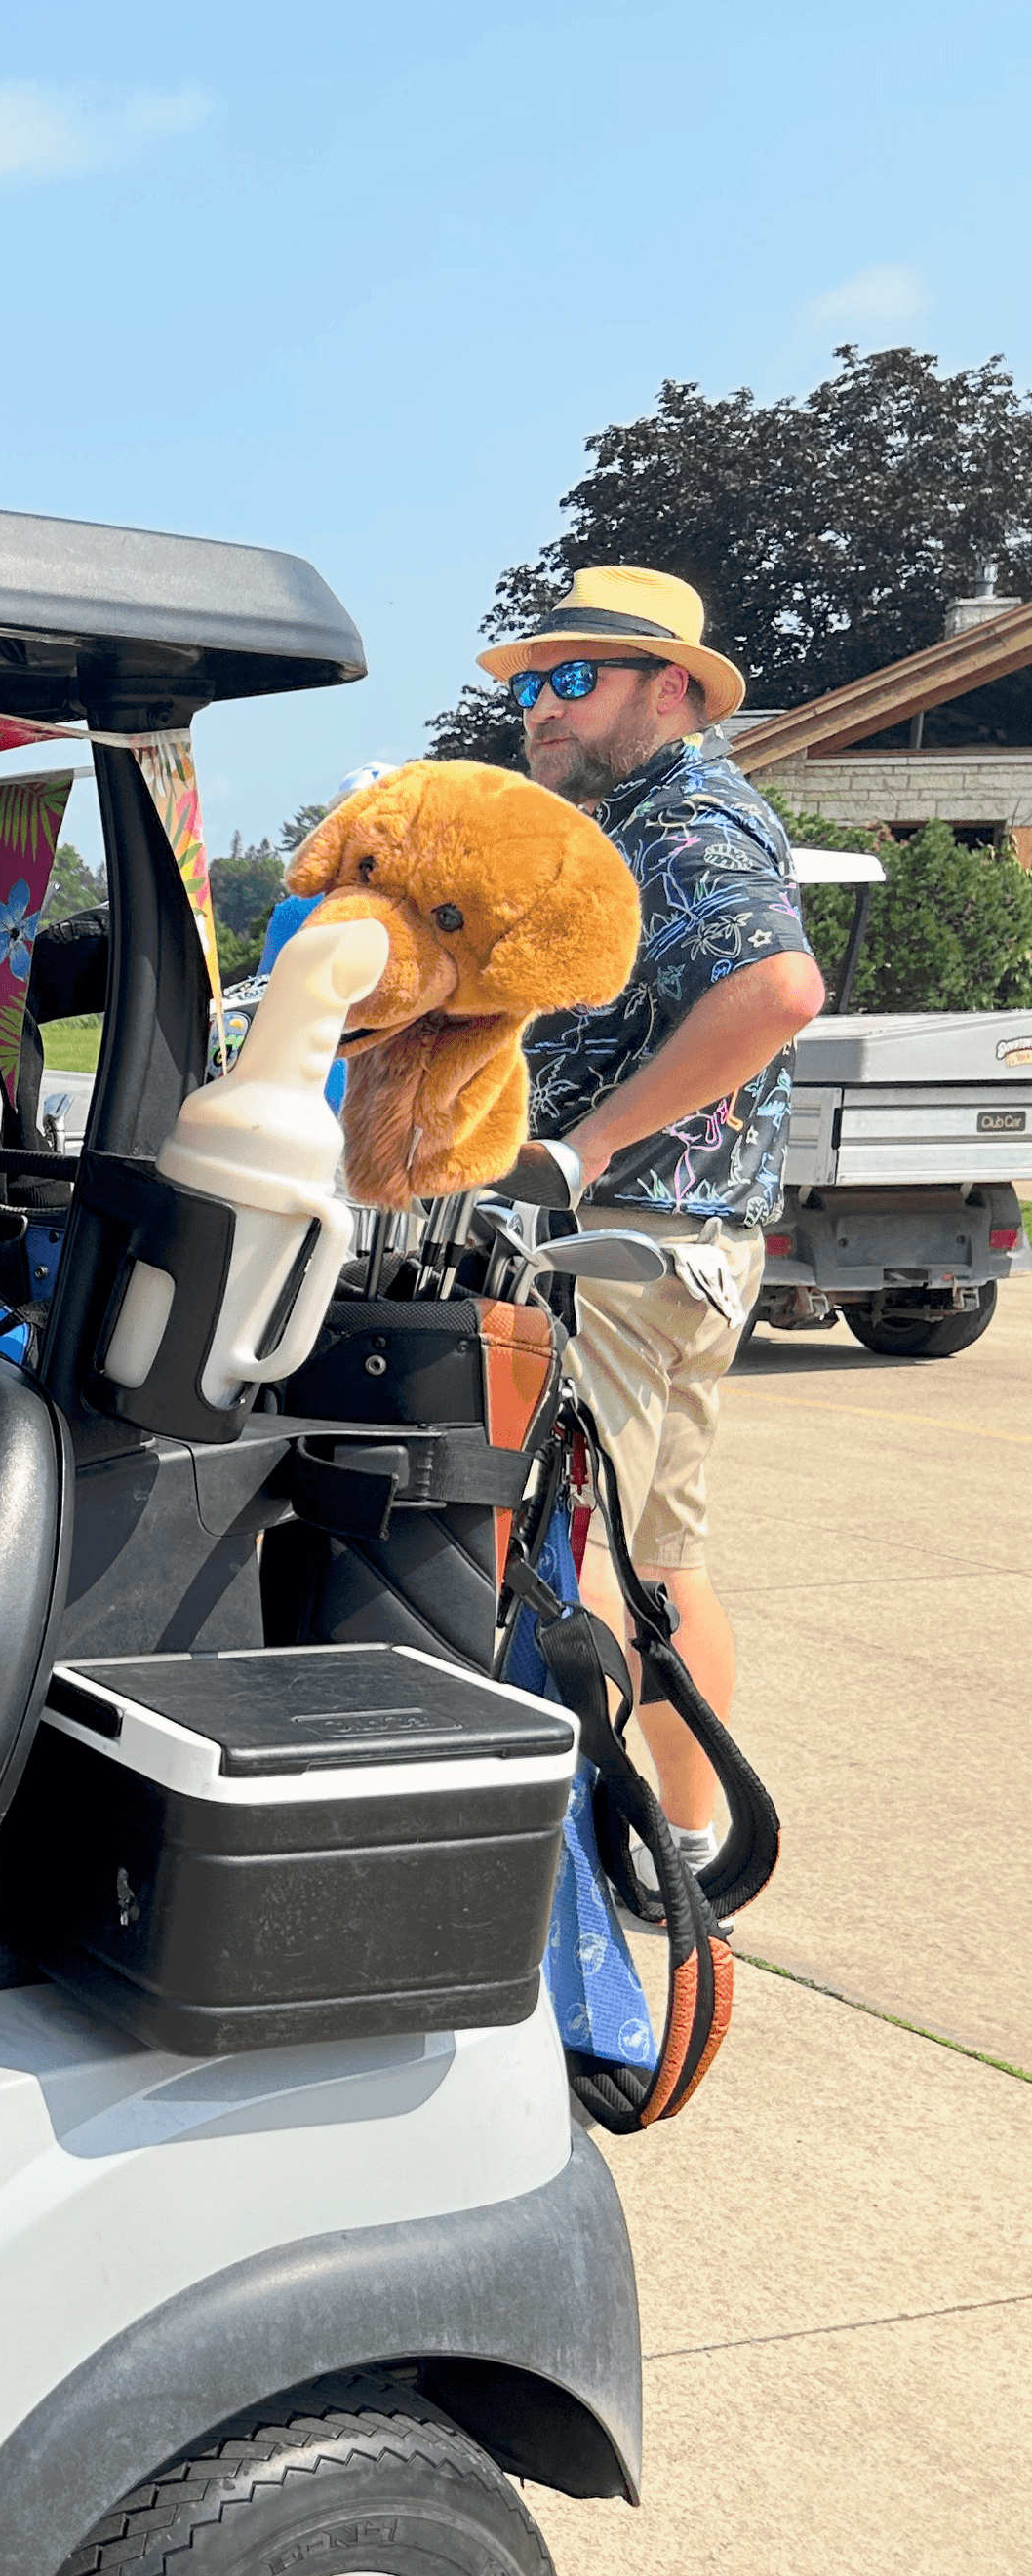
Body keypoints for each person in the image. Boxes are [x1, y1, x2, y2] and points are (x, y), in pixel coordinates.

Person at [481, 566, 825, 1882]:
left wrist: (584, 1145)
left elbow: (779, 991)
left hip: (631, 1235)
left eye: (575, 681)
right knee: (655, 1557)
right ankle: (681, 1846)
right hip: (648, 1238)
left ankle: (612, 1862)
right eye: (529, 683)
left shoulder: (684, 818)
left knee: (591, 1569)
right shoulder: (637, 813)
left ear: (669, 689)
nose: (540, 708)